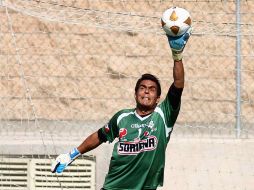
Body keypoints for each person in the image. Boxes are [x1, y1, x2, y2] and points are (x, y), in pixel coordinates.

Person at [51, 27, 192, 190]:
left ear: (158, 98)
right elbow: (99, 136)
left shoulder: (164, 115)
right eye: (142, 87)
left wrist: (177, 55)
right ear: (135, 94)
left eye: (152, 89)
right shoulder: (122, 117)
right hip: (113, 187)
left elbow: (178, 84)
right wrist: (71, 155)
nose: (146, 91)